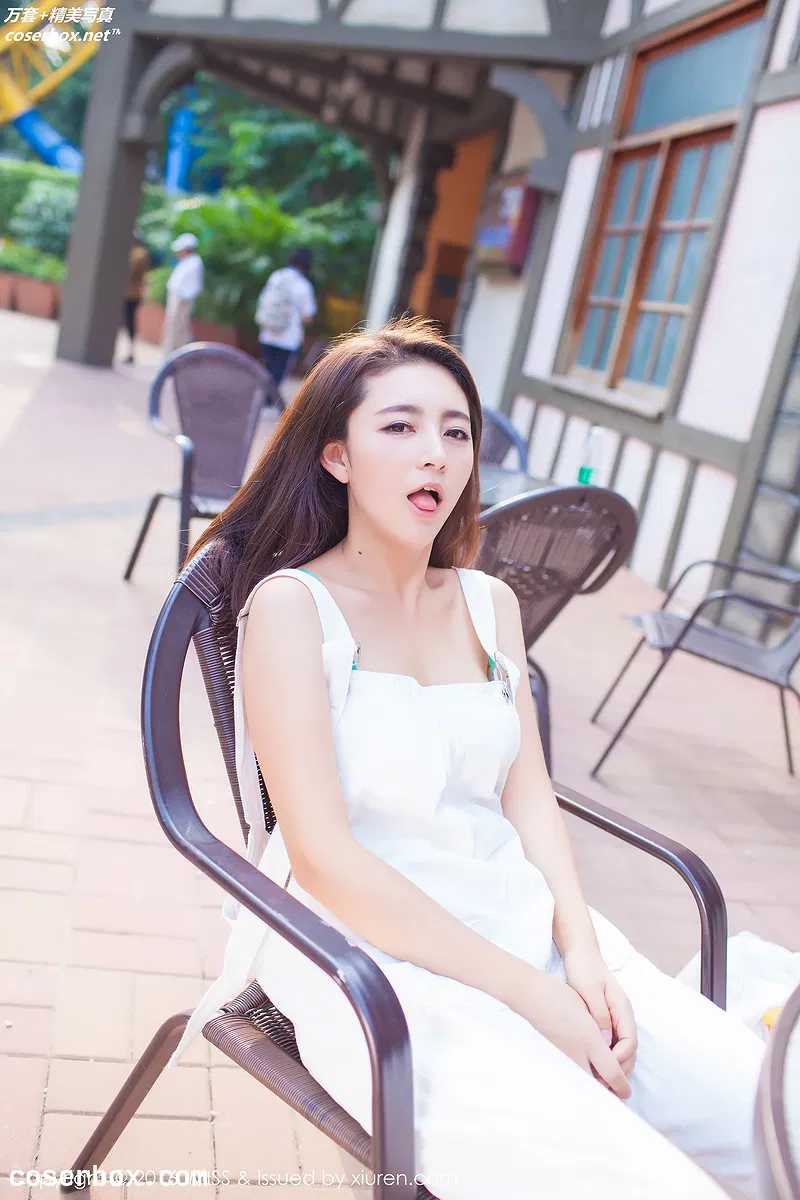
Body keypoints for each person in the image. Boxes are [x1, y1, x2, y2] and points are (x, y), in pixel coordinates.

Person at [173, 319, 765, 1200]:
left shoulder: (490, 604)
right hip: (362, 955)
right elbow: (325, 860)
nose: (437, 454)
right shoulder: (293, 608)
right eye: (400, 426)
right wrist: (530, 994)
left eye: (457, 432)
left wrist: (584, 951)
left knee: (766, 1114)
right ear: (337, 456)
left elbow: (529, 798)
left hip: (517, 917)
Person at [255, 246, 316, 389]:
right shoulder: (303, 285)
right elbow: (307, 316)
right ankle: (270, 400)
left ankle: (260, 397)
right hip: (287, 339)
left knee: (265, 371)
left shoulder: (276, 276)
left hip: (268, 333)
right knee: (278, 376)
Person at [161, 232, 204, 359]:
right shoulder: (187, 262)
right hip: (177, 298)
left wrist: (185, 298)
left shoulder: (195, 262)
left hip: (183, 300)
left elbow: (194, 285)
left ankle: (176, 356)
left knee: (179, 329)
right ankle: (169, 355)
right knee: (172, 328)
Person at [121, 231, 150, 365]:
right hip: (128, 293)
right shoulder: (135, 253)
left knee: (129, 323)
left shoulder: (139, 254)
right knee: (127, 323)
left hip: (131, 295)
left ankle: (130, 352)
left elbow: (131, 272)